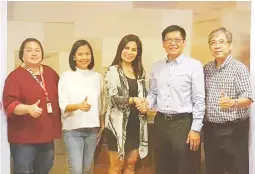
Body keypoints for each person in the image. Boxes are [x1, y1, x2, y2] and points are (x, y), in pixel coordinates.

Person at [145, 25, 205, 174]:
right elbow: (153, 93)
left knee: (185, 167)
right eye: (169, 40)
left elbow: (199, 99)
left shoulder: (194, 66)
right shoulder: (157, 66)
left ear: (184, 42)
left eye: (177, 39)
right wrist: (146, 103)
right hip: (161, 122)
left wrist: (195, 129)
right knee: (163, 165)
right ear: (163, 44)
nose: (173, 43)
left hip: (184, 124)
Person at [2, 38, 62, 174]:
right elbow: (10, 104)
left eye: (37, 50)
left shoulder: (50, 73)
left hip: (46, 135)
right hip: (24, 138)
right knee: (24, 171)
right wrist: (28, 108)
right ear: (22, 55)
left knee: (45, 169)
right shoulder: (15, 76)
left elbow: (62, 96)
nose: (34, 53)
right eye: (29, 50)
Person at [203, 27, 253, 174]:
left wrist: (233, 102)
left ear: (230, 46)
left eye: (221, 42)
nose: (217, 46)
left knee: (236, 170)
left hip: (234, 130)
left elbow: (249, 98)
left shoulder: (239, 68)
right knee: (213, 169)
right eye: (213, 42)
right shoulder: (207, 68)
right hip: (211, 130)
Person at [58, 39, 105, 174]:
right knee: (76, 169)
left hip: (92, 130)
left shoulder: (97, 77)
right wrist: (79, 106)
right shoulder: (66, 76)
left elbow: (101, 102)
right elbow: (63, 105)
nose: (84, 57)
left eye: (87, 53)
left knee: (87, 169)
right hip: (72, 130)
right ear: (73, 56)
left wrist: (101, 123)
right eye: (80, 54)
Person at [104, 34, 148, 174]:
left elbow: (144, 96)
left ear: (138, 53)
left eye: (134, 50)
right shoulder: (113, 71)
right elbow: (113, 99)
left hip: (136, 125)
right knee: (116, 167)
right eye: (126, 48)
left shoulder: (140, 72)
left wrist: (145, 104)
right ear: (120, 49)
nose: (129, 52)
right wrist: (133, 100)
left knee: (131, 165)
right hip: (117, 126)